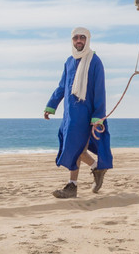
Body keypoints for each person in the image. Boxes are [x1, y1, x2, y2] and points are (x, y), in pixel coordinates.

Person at [43, 27, 113, 199]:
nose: (79, 40)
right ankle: (96, 168)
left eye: (82, 37)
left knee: (75, 149)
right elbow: (62, 87)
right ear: (72, 40)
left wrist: (98, 116)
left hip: (86, 114)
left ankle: (73, 186)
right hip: (69, 115)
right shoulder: (68, 61)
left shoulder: (95, 61)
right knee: (76, 149)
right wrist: (50, 106)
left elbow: (99, 90)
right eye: (76, 38)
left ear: (87, 40)